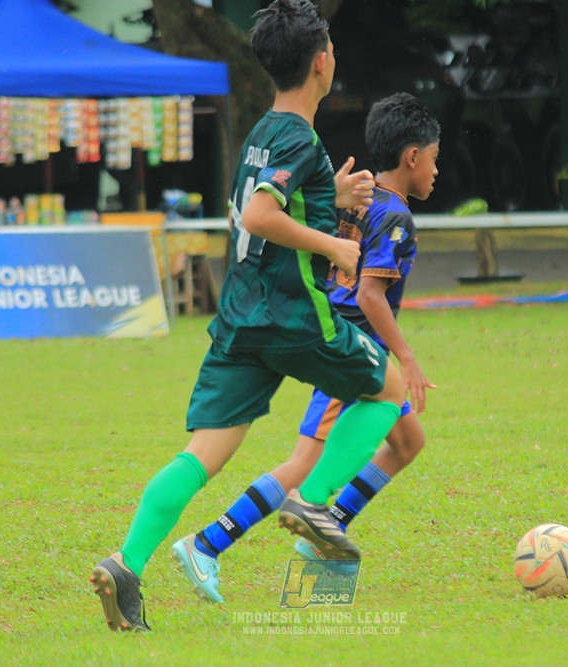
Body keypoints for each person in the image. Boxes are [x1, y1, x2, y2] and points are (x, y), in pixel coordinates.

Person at [90, 0, 406, 631]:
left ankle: (127, 564)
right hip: (290, 315)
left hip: (240, 318)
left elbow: (252, 210)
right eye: (333, 50)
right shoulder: (297, 134)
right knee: (389, 393)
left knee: (201, 454)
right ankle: (315, 504)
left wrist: (329, 196)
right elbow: (262, 217)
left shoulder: (264, 133)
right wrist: (335, 242)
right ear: (322, 62)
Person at [172, 92, 440, 603]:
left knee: (408, 443)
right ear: (412, 157)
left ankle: (326, 530)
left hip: (351, 345)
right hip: (352, 355)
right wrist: (406, 356)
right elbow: (369, 292)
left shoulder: (363, 200)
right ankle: (208, 543)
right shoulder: (397, 218)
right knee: (301, 468)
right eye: (433, 157)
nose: (436, 169)